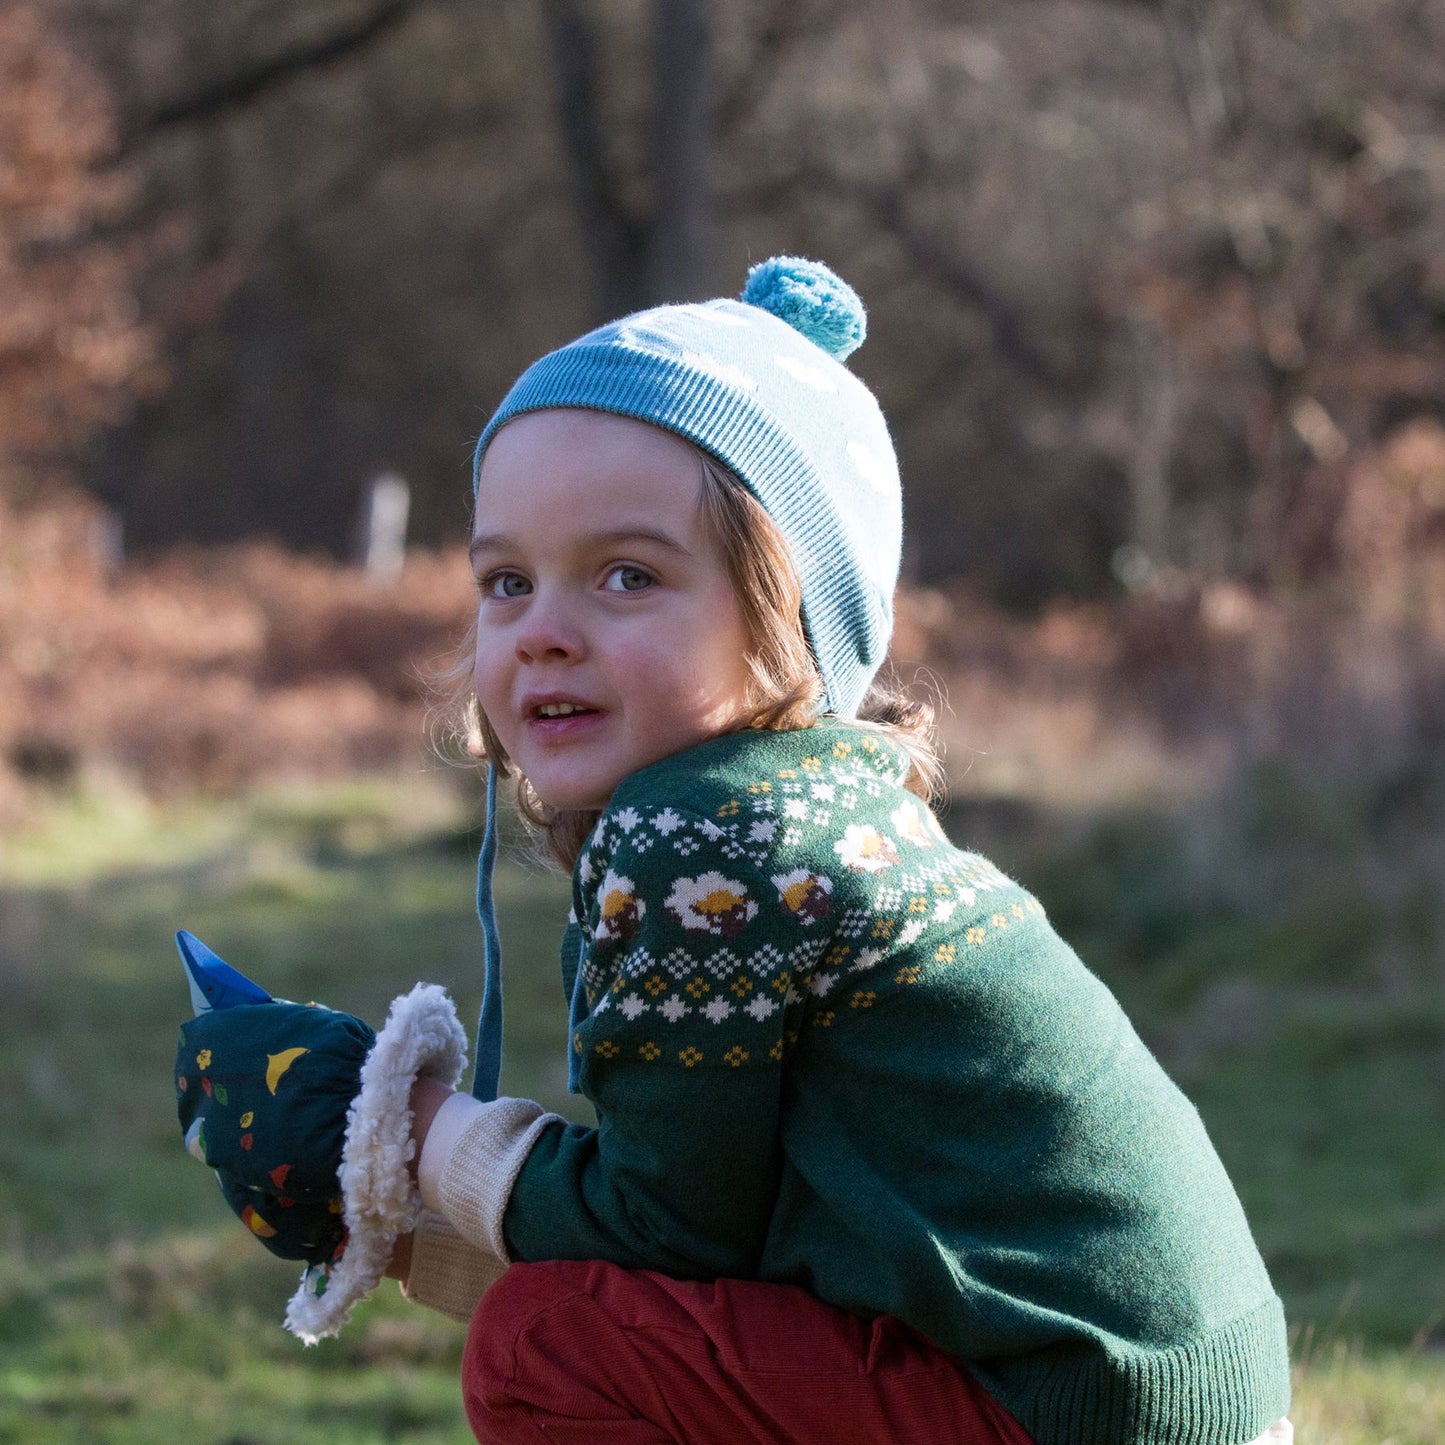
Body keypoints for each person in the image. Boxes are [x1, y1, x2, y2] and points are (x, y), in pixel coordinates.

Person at [175, 256, 1293, 1445]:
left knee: (545, 1346)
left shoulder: (700, 837)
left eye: (626, 574)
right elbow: (726, 1253)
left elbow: (663, 1238)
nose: (543, 631)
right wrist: (405, 1217)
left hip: (1069, 1402)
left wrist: (406, 1133)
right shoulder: (816, 806)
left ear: (787, 624)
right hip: (1171, 1390)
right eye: (506, 579)